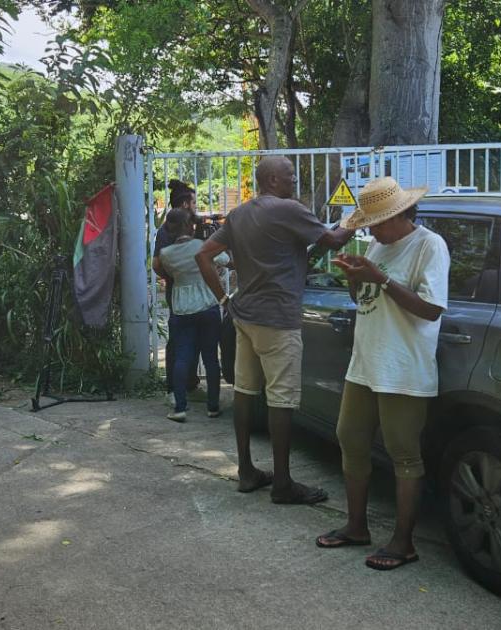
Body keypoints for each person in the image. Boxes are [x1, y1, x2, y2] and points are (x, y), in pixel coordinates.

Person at [195, 156, 357, 504]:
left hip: (244, 317)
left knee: (244, 392)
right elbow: (334, 241)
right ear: (271, 180)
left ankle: (247, 471)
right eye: (290, 176)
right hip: (279, 319)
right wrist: (358, 219)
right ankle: (282, 483)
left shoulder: (239, 214)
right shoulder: (288, 210)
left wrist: (224, 300)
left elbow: (203, 256)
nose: (295, 182)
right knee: (281, 401)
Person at [314, 176, 450, 572]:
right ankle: (357, 527)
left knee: (404, 454)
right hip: (366, 363)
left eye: (376, 222)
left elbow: (432, 309)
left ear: (399, 215)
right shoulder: (379, 244)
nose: (370, 230)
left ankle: (404, 542)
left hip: (404, 368)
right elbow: (366, 300)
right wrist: (357, 281)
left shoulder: (429, 246)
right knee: (350, 439)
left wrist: (382, 279)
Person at [153, 207, 228, 422]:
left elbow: (165, 272)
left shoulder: (166, 254)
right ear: (190, 225)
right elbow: (225, 260)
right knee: (211, 358)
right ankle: (213, 407)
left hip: (181, 310)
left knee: (182, 358)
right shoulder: (202, 246)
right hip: (207, 306)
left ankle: (179, 408)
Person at [155, 180, 200, 401]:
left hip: (196, 292)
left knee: (196, 337)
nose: (196, 206)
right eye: (194, 202)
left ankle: (190, 384)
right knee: (178, 340)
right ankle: (173, 388)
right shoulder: (167, 231)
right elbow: (156, 263)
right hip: (180, 292)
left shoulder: (195, 226)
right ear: (184, 204)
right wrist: (174, 276)